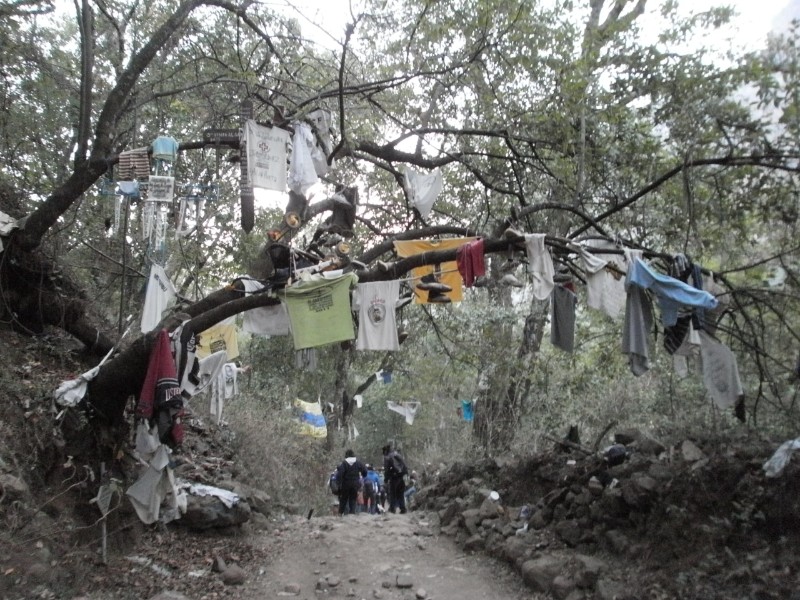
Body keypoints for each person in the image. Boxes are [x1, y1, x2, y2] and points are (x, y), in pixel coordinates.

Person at [336, 449, 367, 516]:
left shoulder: (344, 463)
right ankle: (352, 514)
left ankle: (340, 513)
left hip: (346, 484)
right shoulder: (358, 462)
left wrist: (338, 483)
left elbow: (340, 474)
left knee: (344, 499)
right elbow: (365, 471)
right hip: (355, 484)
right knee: (353, 499)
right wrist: (362, 475)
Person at [382, 444, 408, 514]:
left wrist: (386, 479)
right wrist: (405, 473)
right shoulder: (397, 454)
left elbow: (387, 469)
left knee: (392, 494)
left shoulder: (387, 457)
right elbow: (404, 465)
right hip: (401, 476)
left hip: (393, 477)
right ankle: (403, 508)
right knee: (400, 494)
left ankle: (392, 509)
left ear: (385, 451)